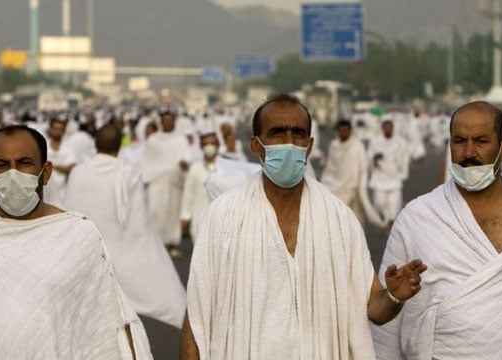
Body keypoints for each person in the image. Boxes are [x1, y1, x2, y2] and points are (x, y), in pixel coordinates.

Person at [181, 94, 427, 359]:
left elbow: (373, 308)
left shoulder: (339, 219)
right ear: (256, 145)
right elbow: (197, 316)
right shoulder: (222, 217)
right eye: (277, 133)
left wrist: (393, 297)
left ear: (309, 146)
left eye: (298, 133)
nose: (289, 143)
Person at [0, 125, 153, 359]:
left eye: (25, 163)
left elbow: (106, 322)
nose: (13, 174)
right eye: (2, 165)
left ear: (46, 172)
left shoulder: (77, 235)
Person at [371, 101, 502, 359]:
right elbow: (384, 330)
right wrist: (394, 298)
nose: (468, 152)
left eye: (481, 141)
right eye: (459, 141)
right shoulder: (417, 218)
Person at [64, 124, 187, 329]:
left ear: (95, 144)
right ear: (119, 147)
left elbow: (71, 211)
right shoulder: (128, 173)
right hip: (120, 242)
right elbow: (138, 220)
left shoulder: (78, 172)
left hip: (85, 246)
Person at [141, 111, 190, 259]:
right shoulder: (153, 140)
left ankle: (172, 245)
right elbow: (147, 160)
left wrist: (183, 164)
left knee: (172, 213)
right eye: (165, 120)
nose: (168, 122)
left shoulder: (181, 139)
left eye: (171, 120)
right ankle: (156, 246)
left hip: (174, 181)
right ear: (161, 122)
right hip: (156, 181)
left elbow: (185, 157)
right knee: (156, 212)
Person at [321, 119, 370, 225]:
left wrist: (361, 184)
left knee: (353, 219)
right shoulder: (333, 145)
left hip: (352, 187)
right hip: (336, 187)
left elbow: (363, 165)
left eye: (345, 130)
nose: (343, 133)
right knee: (336, 218)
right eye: (341, 130)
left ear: (350, 130)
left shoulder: (357, 145)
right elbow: (330, 166)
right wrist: (325, 181)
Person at [367, 119, 410, 228]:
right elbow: (369, 156)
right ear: (382, 129)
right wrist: (374, 158)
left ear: (393, 128)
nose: (387, 130)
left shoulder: (400, 142)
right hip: (380, 177)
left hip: (394, 177)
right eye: (385, 128)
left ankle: (390, 223)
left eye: (389, 128)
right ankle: (385, 220)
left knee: (394, 204)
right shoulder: (375, 142)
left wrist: (402, 172)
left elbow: (405, 158)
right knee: (379, 203)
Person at [180, 132, 219, 243]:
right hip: (199, 216)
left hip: (220, 219)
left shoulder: (227, 168)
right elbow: (188, 193)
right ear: (201, 147)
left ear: (218, 145)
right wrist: (185, 216)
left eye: (212, 143)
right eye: (206, 144)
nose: (209, 146)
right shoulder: (195, 168)